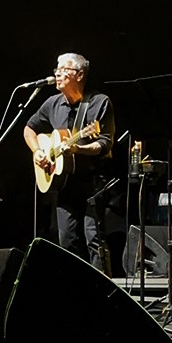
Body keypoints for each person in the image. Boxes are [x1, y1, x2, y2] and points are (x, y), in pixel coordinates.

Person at [23, 52, 115, 273]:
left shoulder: (98, 102)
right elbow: (29, 128)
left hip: (92, 184)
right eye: (57, 69)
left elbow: (104, 143)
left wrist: (79, 149)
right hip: (65, 186)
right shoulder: (52, 103)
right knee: (66, 241)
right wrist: (37, 151)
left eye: (63, 69)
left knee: (94, 240)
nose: (57, 73)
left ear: (79, 75)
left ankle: (101, 289)